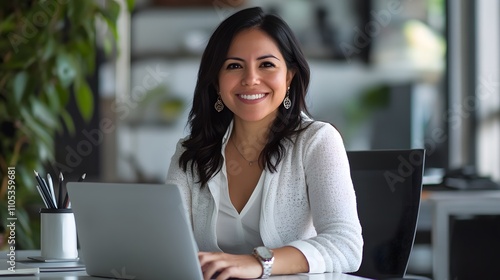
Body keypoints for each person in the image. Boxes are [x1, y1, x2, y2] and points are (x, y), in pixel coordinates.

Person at [166, 6, 363, 280]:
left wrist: (258, 264)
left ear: (289, 76)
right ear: (216, 80)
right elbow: (168, 246)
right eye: (234, 66)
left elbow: (346, 247)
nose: (250, 79)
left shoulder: (317, 141)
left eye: (266, 64)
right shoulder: (191, 152)